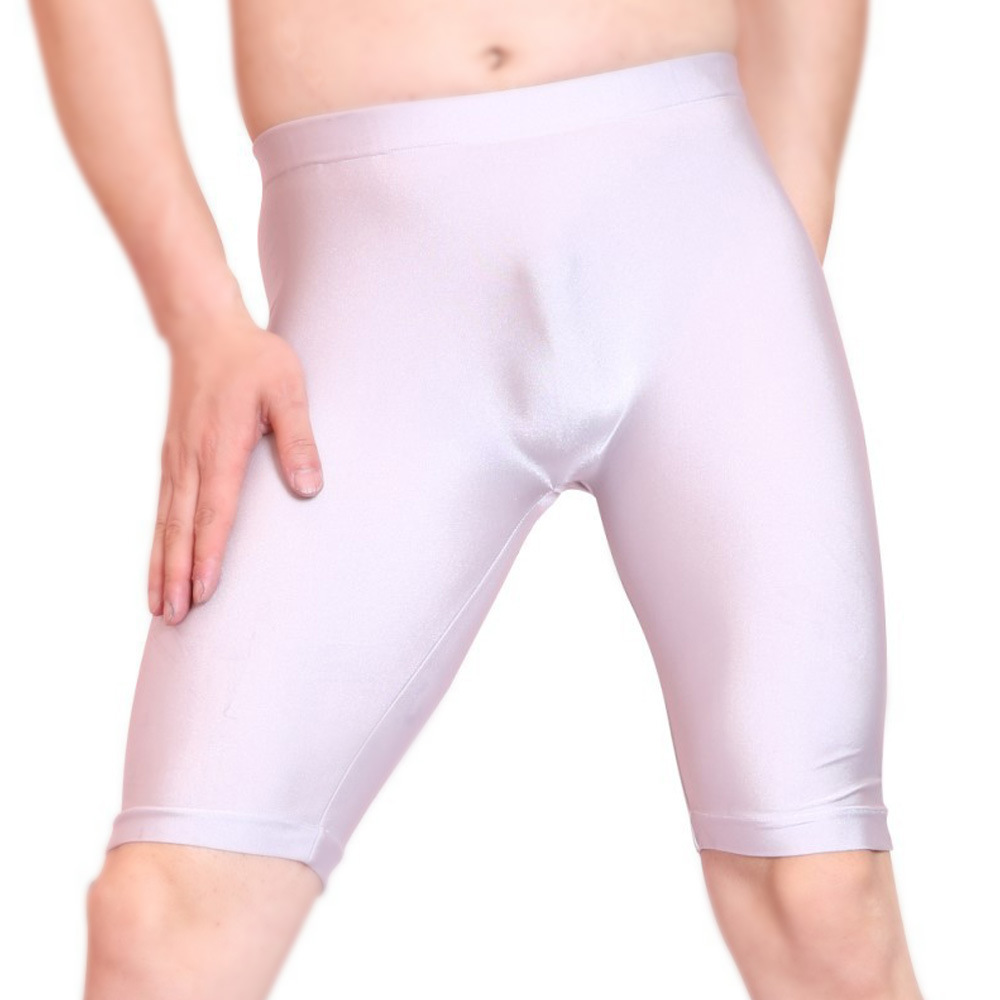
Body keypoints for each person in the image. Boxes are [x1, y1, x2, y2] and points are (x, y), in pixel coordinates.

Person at [28, 0, 925, 997]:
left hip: (697, 230)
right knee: (160, 919)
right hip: (377, 273)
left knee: (823, 897)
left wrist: (791, 219)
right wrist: (199, 317)